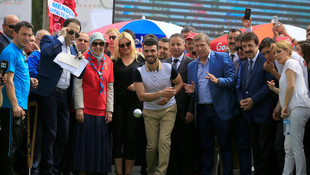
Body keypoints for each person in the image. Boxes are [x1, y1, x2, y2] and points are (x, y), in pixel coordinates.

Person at [32, 18, 85, 175]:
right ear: (64, 29)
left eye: (76, 33)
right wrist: (61, 37)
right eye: (71, 31)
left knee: (63, 136)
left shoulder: (73, 47)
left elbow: (79, 73)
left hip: (64, 95)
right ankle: (47, 171)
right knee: (51, 134)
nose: (73, 35)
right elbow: (47, 53)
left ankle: (55, 169)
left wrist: (80, 61)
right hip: (50, 94)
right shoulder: (50, 39)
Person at [184, 33, 238, 175]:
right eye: (197, 46)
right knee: (206, 146)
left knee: (225, 146)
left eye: (202, 45)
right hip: (202, 111)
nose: (200, 48)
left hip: (220, 110)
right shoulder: (191, 66)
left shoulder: (222, 57)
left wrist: (218, 81)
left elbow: (233, 80)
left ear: (208, 45)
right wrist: (191, 92)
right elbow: (194, 90)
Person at [133, 37, 183, 175]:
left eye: (152, 51)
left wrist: (169, 96)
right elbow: (141, 96)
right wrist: (162, 93)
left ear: (158, 51)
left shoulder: (168, 67)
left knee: (164, 142)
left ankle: (160, 173)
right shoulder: (138, 71)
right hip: (149, 112)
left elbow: (179, 84)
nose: (149, 54)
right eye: (146, 51)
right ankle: (150, 171)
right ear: (143, 51)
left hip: (169, 110)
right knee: (151, 147)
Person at [72, 32, 114, 174]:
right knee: (85, 149)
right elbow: (77, 85)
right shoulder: (82, 59)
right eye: (95, 43)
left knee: (99, 150)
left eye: (101, 44)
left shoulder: (108, 61)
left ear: (104, 45)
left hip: (102, 112)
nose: (98, 46)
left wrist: (110, 110)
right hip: (86, 111)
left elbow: (110, 87)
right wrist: (79, 108)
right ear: (90, 44)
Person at [0, 21, 38, 174]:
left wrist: (29, 81)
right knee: (9, 151)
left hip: (20, 107)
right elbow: (7, 80)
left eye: (29, 35)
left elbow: (16, 76)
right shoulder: (10, 52)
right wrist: (15, 105)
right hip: (10, 108)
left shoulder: (21, 52)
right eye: (24, 34)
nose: (27, 38)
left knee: (18, 151)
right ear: (15, 33)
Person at [237, 32, 277, 175]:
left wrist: (253, 100)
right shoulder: (243, 64)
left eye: (250, 45)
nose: (247, 49)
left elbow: (269, 85)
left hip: (264, 114)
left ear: (256, 45)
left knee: (266, 152)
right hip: (249, 115)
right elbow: (240, 86)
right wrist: (242, 100)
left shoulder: (266, 61)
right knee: (256, 151)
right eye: (244, 46)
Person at [267, 40, 310, 175]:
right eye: (274, 53)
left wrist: (284, 106)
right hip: (292, 109)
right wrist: (274, 89)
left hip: (298, 107)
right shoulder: (287, 65)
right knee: (288, 147)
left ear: (288, 51)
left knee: (296, 146)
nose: (276, 55)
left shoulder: (291, 62)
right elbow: (287, 90)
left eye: (279, 51)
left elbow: (291, 86)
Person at [112, 31, 144, 175]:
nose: (125, 47)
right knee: (118, 138)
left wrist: (138, 84)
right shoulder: (114, 61)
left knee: (131, 137)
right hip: (117, 104)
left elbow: (149, 79)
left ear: (132, 43)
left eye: (127, 43)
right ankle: (118, 172)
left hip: (135, 105)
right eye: (122, 45)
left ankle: (128, 172)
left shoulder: (140, 59)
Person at [164, 33, 196, 175]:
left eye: (178, 44)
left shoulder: (191, 63)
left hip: (184, 111)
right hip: (166, 110)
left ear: (184, 45)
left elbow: (194, 88)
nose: (175, 47)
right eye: (173, 44)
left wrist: (191, 110)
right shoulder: (164, 63)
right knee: (169, 145)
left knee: (186, 145)